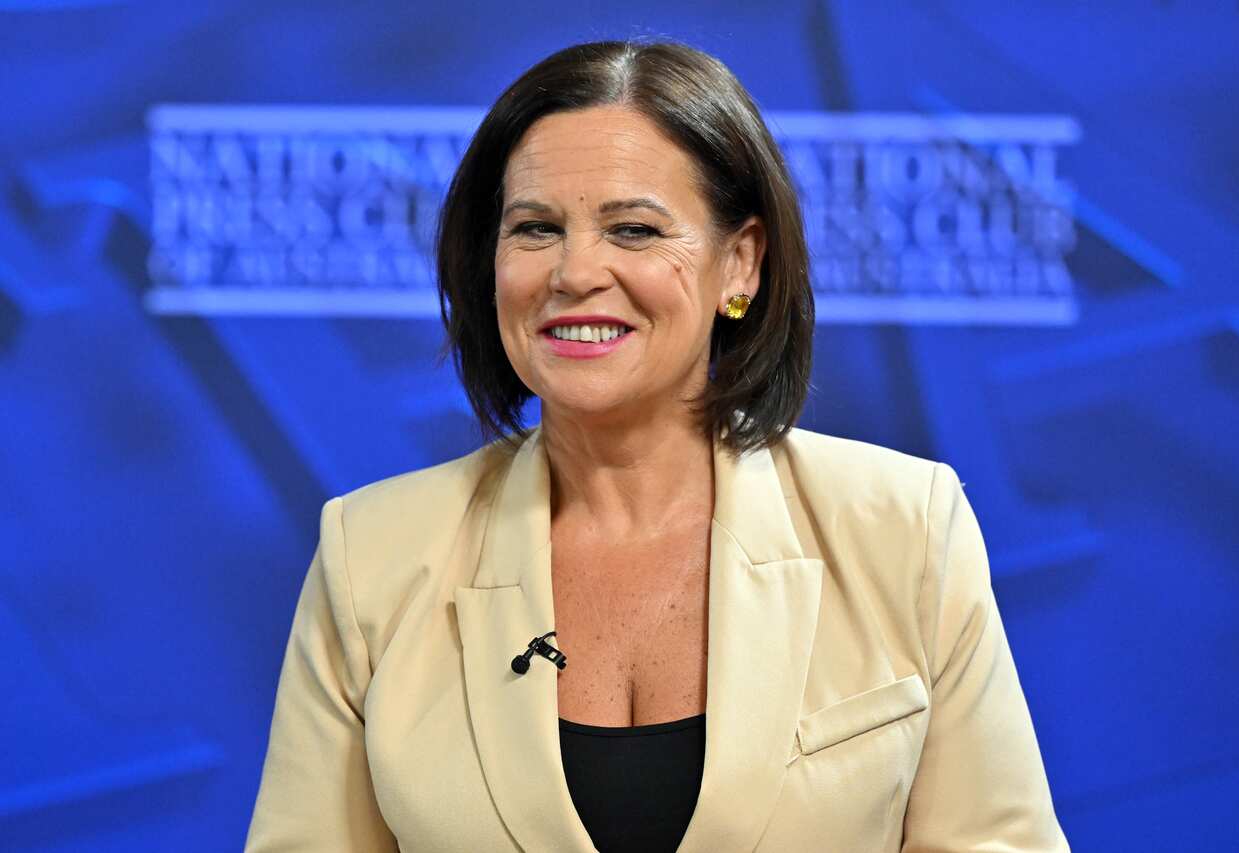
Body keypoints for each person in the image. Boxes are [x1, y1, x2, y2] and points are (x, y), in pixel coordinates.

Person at [244, 39, 1069, 853]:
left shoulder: (905, 525)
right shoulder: (372, 558)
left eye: (633, 229)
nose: (575, 271)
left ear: (739, 264)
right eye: (535, 229)